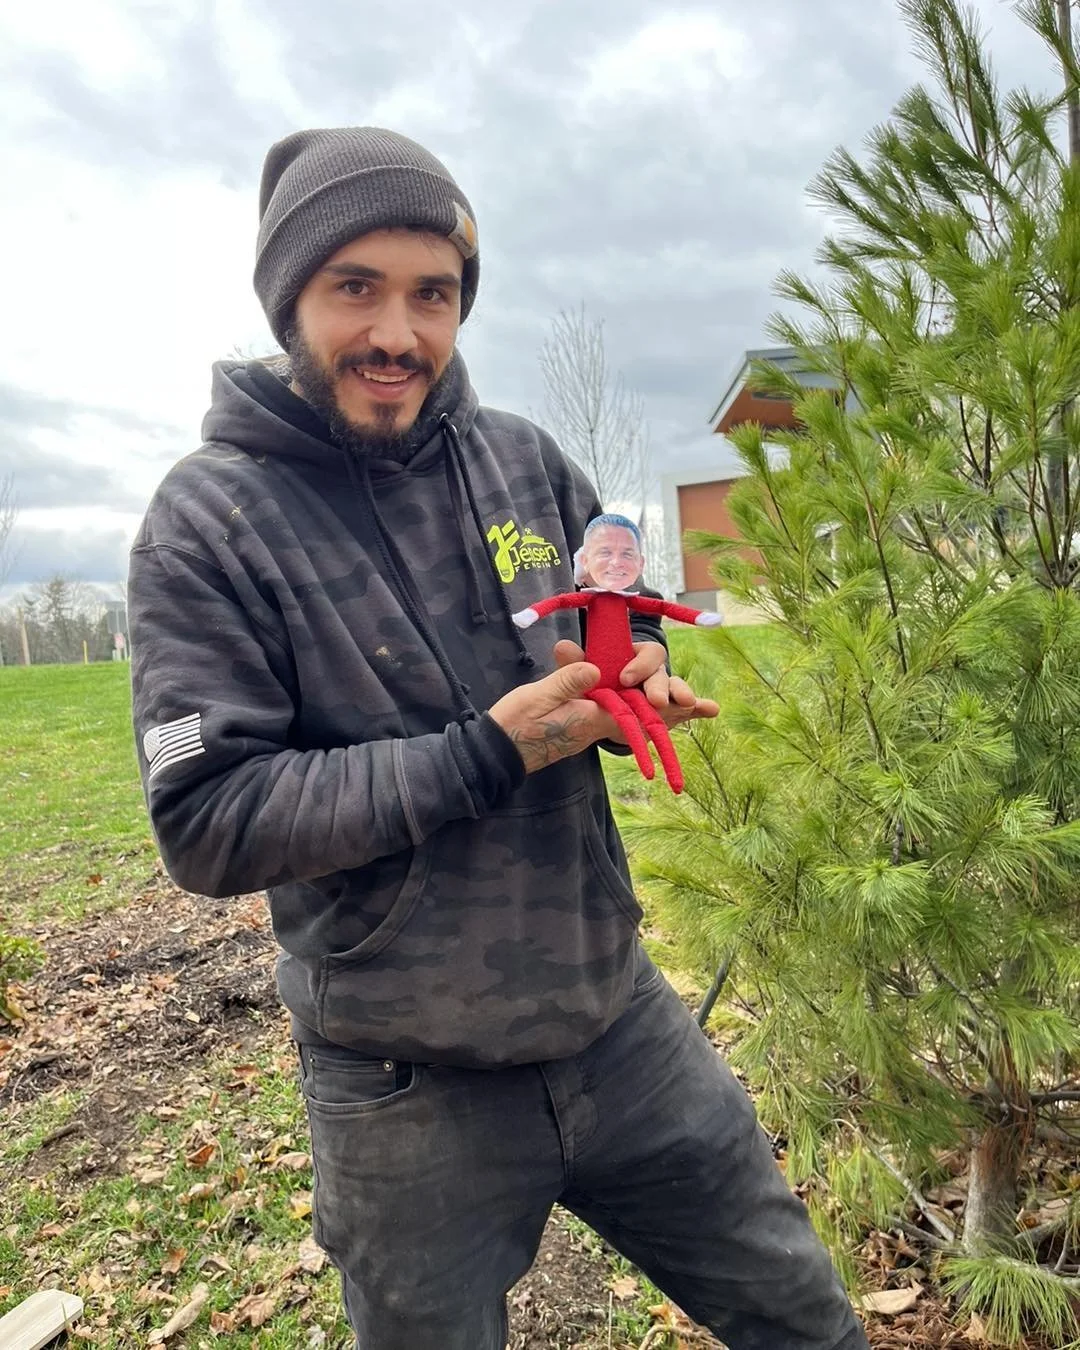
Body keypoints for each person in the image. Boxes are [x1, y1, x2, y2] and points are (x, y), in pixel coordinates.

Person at [128, 127, 868, 1350]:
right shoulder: (210, 524)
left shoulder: (525, 462)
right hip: (405, 1090)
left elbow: (617, 612)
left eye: (434, 294)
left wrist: (639, 667)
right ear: (287, 298)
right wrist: (486, 751)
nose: (398, 333)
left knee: (810, 1324)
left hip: (618, 1020)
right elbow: (208, 822)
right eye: (355, 287)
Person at [513, 513, 724, 792]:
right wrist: (530, 614)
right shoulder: (589, 598)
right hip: (597, 685)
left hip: (627, 683)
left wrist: (698, 618)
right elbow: (562, 601)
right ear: (585, 560)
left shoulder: (628, 597)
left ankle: (674, 780)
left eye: (626, 554)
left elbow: (660, 610)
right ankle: (648, 770)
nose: (615, 562)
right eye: (605, 553)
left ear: (640, 563)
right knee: (625, 716)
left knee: (651, 721)